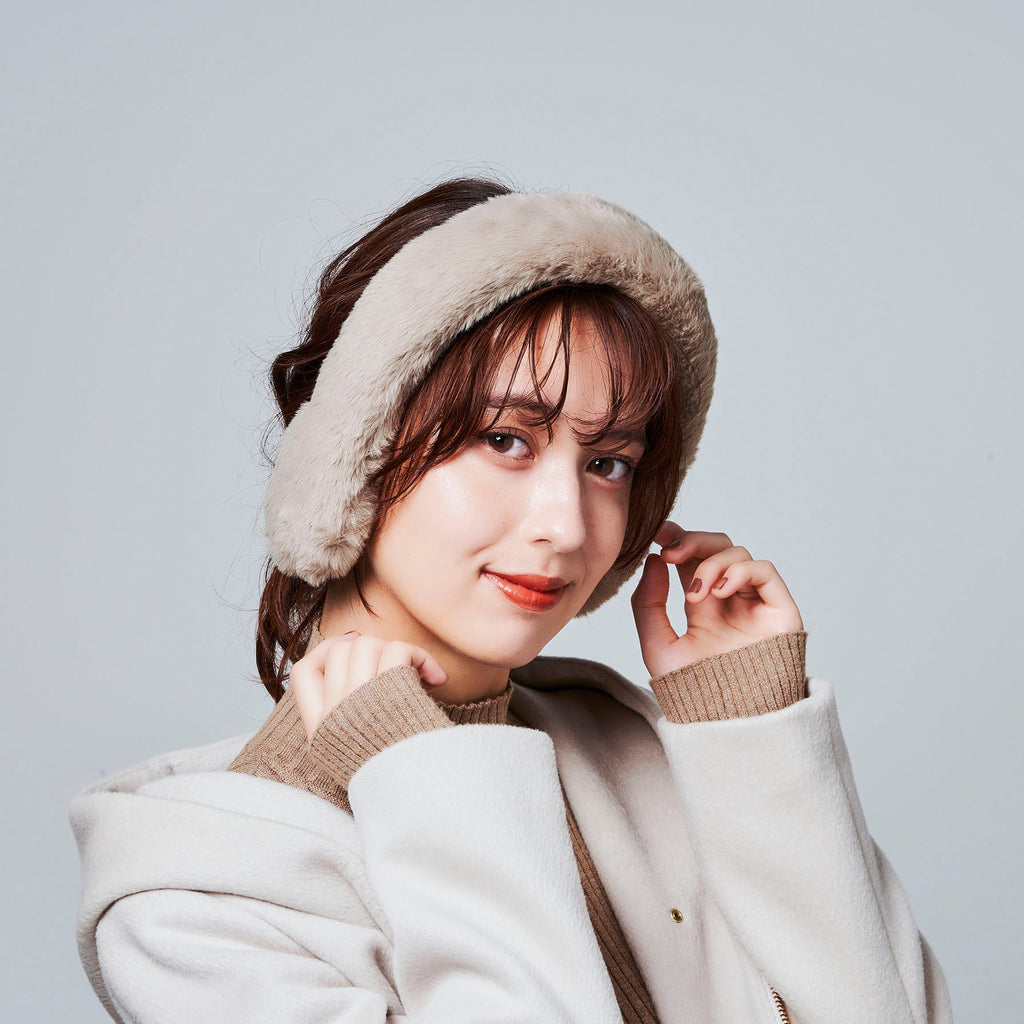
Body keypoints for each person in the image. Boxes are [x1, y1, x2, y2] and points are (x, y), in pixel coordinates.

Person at [69, 178, 953, 1024]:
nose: (566, 525)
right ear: (352, 453)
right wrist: (423, 776)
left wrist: (753, 737)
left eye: (608, 461)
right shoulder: (194, 909)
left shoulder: (637, 754)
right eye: (504, 440)